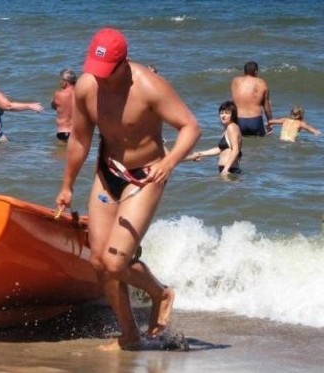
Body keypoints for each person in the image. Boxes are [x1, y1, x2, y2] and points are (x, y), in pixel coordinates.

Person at [55, 28, 201, 350]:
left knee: (116, 263)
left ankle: (160, 293)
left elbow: (191, 127)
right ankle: (129, 336)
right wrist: (67, 185)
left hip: (146, 177)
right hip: (108, 174)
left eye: (108, 73)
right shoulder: (86, 87)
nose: (102, 79)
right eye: (97, 71)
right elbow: (80, 139)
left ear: (124, 63)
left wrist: (170, 161)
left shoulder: (149, 86)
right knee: (98, 262)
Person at [185, 101, 242, 175]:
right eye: (221, 113)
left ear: (233, 115)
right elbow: (220, 149)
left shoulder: (232, 127)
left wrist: (225, 169)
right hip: (228, 170)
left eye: (227, 113)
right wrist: (200, 154)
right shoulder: (227, 129)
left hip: (230, 170)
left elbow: (236, 150)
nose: (223, 116)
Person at [230, 61, 272, 136]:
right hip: (255, 120)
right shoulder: (261, 82)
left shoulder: (235, 81)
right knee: (259, 146)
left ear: (244, 71)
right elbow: (266, 105)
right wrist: (270, 122)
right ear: (256, 71)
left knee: (238, 145)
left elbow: (232, 102)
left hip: (239, 120)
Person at [51, 68, 77, 142]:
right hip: (77, 131)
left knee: (62, 152)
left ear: (65, 82)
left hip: (63, 132)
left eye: (61, 80)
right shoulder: (80, 92)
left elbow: (53, 106)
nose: (60, 82)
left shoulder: (58, 94)